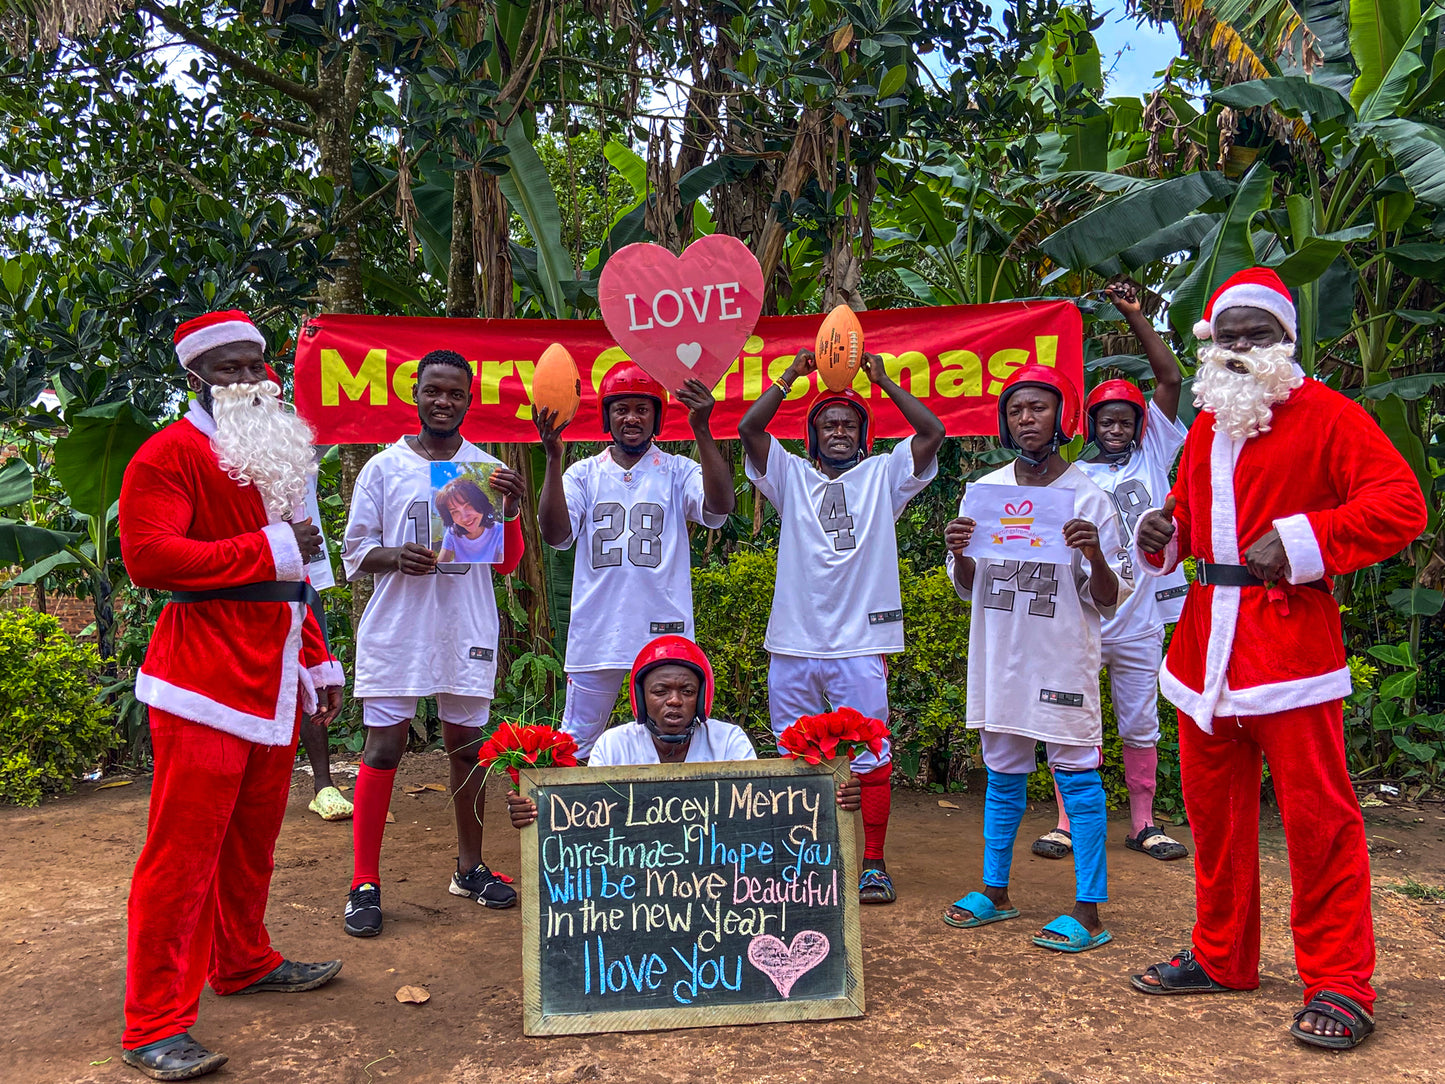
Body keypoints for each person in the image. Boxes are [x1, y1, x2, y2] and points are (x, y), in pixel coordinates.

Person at [1127, 267, 1427, 1049]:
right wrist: (1164, 532)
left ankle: (1338, 983)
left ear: (1284, 341)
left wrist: (1301, 542)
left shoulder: (1328, 415)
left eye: (1254, 334)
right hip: (1205, 652)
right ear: (1209, 344)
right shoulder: (1205, 425)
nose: (1237, 347)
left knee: (1317, 820)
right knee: (1213, 818)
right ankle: (1221, 955)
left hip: (1288, 643)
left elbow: (1401, 505)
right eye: (1226, 335)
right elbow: (1190, 518)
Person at [117, 310, 345, 1081]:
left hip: (275, 672)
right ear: (196, 379)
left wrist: (317, 661)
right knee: (181, 858)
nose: (250, 380)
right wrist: (273, 546)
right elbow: (148, 557)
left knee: (252, 839)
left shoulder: (276, 456)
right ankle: (154, 1024)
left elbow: (297, 580)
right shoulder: (167, 453)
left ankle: (244, 960)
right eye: (229, 369)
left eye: (257, 365)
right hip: (200, 683)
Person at [738, 347, 944, 904]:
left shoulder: (883, 475)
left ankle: (871, 862)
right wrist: (792, 376)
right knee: (796, 752)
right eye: (828, 423)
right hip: (794, 641)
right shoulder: (791, 479)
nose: (837, 431)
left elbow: (932, 432)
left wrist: (883, 383)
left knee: (871, 754)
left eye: (849, 424)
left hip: (860, 641)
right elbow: (749, 427)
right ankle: (797, 864)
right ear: (813, 434)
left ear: (863, 434)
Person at [942, 363, 1133, 953]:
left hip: (1061, 658)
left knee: (1076, 776)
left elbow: (1108, 597)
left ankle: (1089, 909)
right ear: (1005, 420)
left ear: (1063, 416)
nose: (1027, 419)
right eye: (1017, 409)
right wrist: (960, 551)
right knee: (1002, 776)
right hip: (1001, 656)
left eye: (1040, 408)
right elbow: (968, 584)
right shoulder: (987, 491)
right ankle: (995, 893)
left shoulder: (1089, 496)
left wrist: (1095, 554)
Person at [340, 349, 526, 938]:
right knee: (384, 748)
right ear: (415, 394)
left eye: (455, 393)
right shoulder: (383, 468)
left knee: (467, 750)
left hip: (464, 626)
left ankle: (470, 868)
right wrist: (396, 556)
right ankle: (363, 883)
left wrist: (512, 511)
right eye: (433, 390)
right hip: (399, 629)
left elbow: (506, 565)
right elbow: (354, 552)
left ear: (469, 402)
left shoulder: (484, 470)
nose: (443, 401)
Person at [1032, 277, 1190, 863]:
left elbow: (1171, 379)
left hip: (1141, 614)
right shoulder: (1073, 476)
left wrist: (1133, 314)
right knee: (1070, 714)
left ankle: (1144, 822)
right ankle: (1068, 821)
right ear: (1091, 425)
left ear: (1140, 425)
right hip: (1084, 613)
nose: (1117, 429)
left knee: (1140, 719)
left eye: (1126, 420)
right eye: (1107, 421)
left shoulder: (1155, 454)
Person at [533, 364, 734, 758]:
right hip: (598, 633)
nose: (631, 418)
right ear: (606, 416)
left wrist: (702, 429)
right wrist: (553, 459)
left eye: (642, 409)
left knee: (673, 742)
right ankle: (578, 819)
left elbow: (719, 507)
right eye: (621, 408)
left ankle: (668, 819)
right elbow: (555, 534)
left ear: (657, 416)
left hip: (665, 631)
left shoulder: (678, 471)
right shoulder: (583, 474)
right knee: (573, 747)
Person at [506, 636, 860, 825]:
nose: (674, 701)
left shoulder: (729, 741)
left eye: (687, 692)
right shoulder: (613, 746)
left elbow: (761, 813)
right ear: (642, 699)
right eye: (661, 691)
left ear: (701, 698)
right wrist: (535, 810)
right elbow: (589, 823)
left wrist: (830, 797)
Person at [435, 476, 503, 563]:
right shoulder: (452, 532)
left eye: (469, 505)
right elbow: (440, 565)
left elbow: (503, 572)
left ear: (480, 502)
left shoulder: (500, 531)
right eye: (455, 512)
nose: (465, 518)